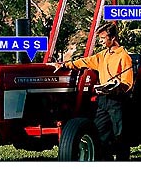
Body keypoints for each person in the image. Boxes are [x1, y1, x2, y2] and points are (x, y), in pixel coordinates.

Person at [49, 23, 134, 160]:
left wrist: (116, 88)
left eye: (103, 38)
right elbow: (84, 61)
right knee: (99, 131)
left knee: (120, 134)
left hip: (117, 102)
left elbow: (127, 83)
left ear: (112, 38)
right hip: (103, 101)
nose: (101, 42)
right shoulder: (102, 55)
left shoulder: (124, 57)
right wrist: (64, 65)